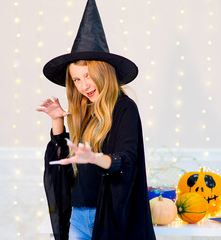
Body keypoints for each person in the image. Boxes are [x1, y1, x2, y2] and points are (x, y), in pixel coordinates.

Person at [37, 1, 156, 240]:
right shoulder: (84, 109)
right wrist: (57, 122)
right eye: (77, 80)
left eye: (88, 76)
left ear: (102, 72)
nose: (84, 86)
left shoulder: (124, 108)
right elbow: (62, 167)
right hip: (78, 218)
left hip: (109, 220)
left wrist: (94, 158)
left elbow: (127, 160)